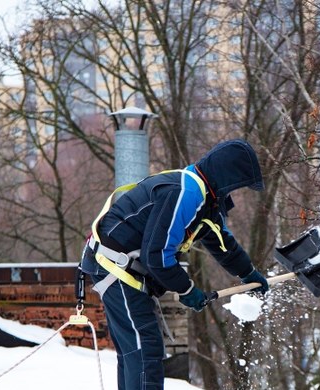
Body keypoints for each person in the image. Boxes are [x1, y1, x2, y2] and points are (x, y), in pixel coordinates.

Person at [79, 139, 269, 390]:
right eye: (237, 186)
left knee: (136, 352)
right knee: (145, 350)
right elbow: (157, 256)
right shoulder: (187, 193)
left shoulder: (204, 199)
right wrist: (188, 290)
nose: (233, 194)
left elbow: (224, 245)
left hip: (115, 267)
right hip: (115, 268)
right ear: (227, 177)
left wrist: (250, 275)